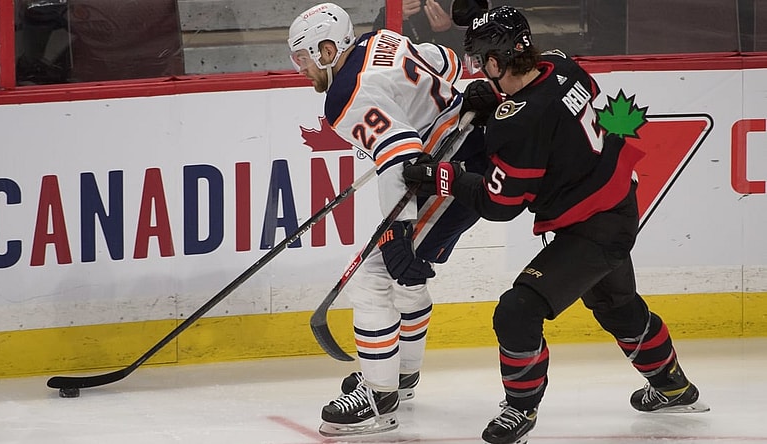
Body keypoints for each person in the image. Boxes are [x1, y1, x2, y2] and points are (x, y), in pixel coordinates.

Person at [403, 6, 709, 444]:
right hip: (616, 204)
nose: (480, 71)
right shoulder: (563, 66)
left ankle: (520, 411)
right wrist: (496, 100)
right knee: (617, 307)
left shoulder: (520, 121)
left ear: (494, 63)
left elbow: (500, 203)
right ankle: (674, 388)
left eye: (482, 64)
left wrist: (441, 176)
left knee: (516, 311)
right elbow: (546, 111)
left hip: (594, 226)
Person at [287, 2, 488, 438]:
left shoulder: (343, 97)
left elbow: (400, 152)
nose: (300, 67)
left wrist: (396, 233)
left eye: (302, 57)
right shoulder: (382, 41)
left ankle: (379, 398)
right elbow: (446, 62)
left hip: (450, 168)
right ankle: (401, 376)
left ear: (326, 49)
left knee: (376, 273)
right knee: (404, 273)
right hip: (467, 144)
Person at [372, 0, 466, 54]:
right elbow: (375, 47)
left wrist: (448, 30)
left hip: (453, 73)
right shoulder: (403, 3)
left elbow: (472, 60)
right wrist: (394, 15)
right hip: (409, 73)